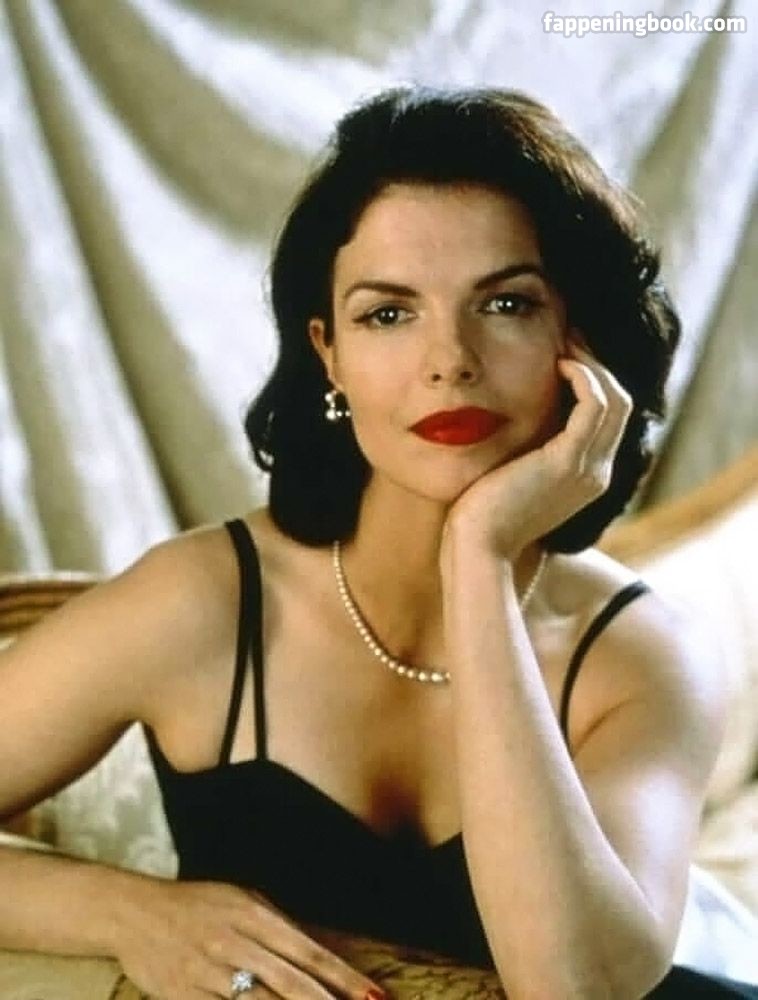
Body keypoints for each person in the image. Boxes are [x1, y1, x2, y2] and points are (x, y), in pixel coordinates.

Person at [0, 85, 755, 1000]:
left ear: (579, 341)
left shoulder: (646, 656)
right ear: (328, 353)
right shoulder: (207, 604)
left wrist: (477, 558)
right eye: (388, 314)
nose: (451, 360)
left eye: (506, 304)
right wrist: (127, 911)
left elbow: (573, 989)